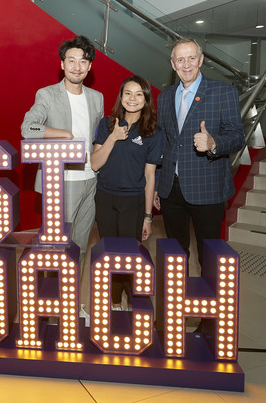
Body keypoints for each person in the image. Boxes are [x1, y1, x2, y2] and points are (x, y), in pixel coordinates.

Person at [155, 38, 245, 268]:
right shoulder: (164, 97)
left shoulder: (223, 91)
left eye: (192, 58)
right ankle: (178, 301)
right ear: (173, 64)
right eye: (180, 59)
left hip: (207, 188)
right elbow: (163, 142)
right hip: (170, 190)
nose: (186, 65)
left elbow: (237, 137)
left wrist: (214, 143)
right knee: (175, 254)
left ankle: (208, 300)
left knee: (210, 255)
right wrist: (157, 184)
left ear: (201, 60)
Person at [21, 35, 104, 272]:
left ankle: (72, 305)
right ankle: (53, 304)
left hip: (91, 180)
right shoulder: (47, 94)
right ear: (62, 64)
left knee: (81, 245)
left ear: (89, 66)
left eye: (83, 61)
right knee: (56, 249)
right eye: (72, 61)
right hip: (62, 181)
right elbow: (28, 128)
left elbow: (97, 137)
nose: (77, 67)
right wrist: (63, 134)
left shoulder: (96, 98)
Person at [91, 75, 163, 310]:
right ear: (121, 97)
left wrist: (147, 216)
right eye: (128, 93)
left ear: (146, 99)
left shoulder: (153, 132)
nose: (132, 99)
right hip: (105, 198)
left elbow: (150, 176)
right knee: (109, 254)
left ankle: (134, 305)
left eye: (138, 94)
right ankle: (113, 304)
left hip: (133, 201)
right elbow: (95, 164)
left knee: (131, 257)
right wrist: (113, 136)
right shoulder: (105, 124)